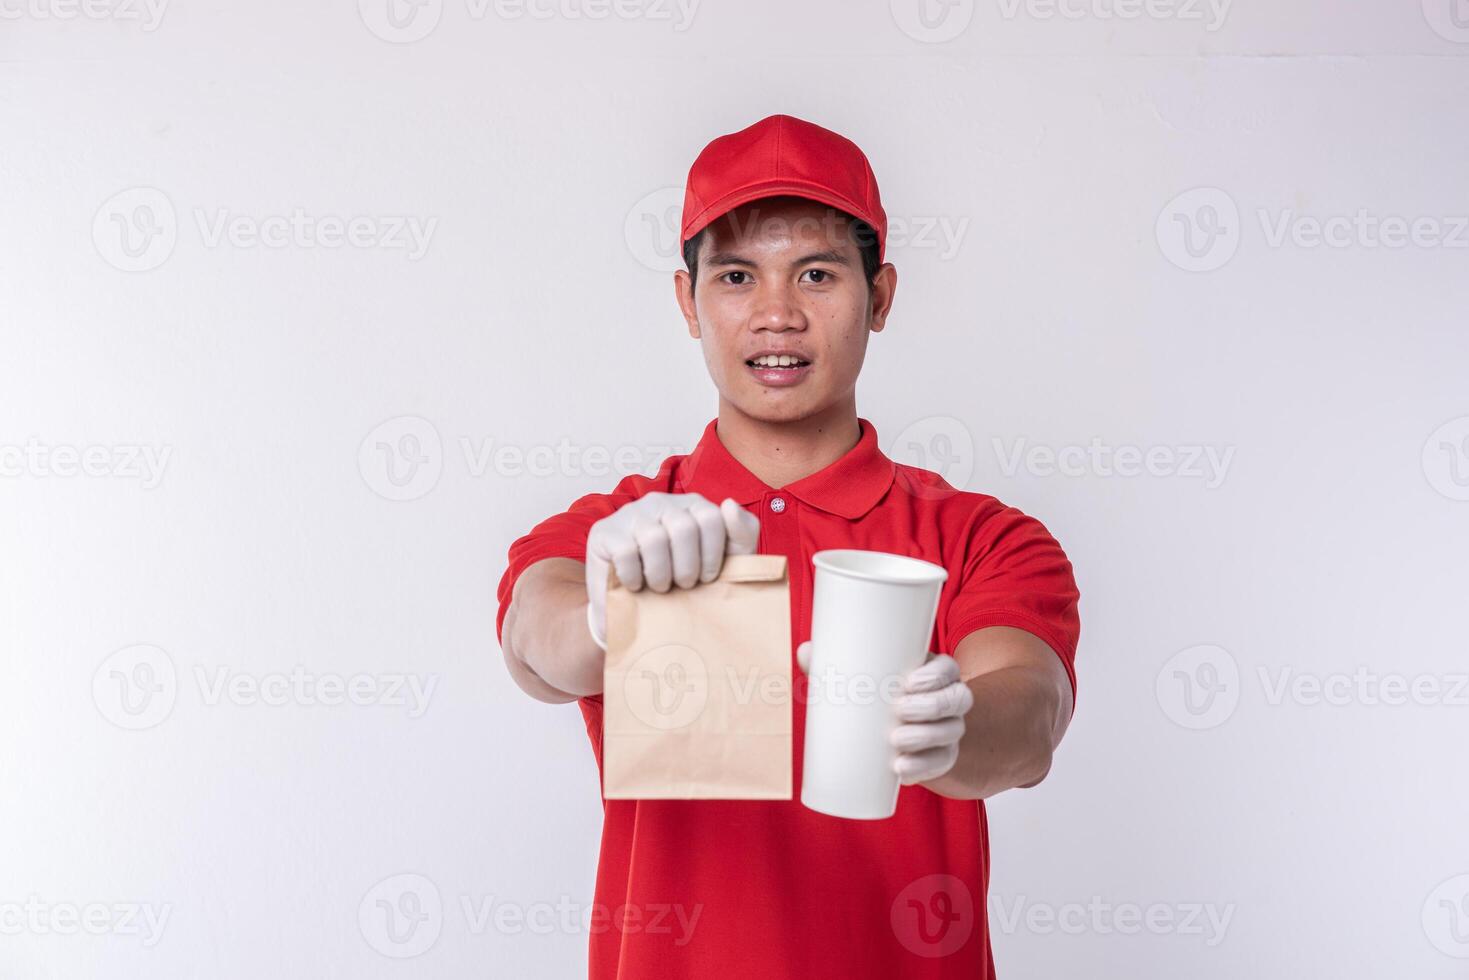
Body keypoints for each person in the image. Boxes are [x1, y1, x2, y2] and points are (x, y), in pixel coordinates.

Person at [495, 113, 1081, 979]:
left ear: (879, 297)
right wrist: (604, 613)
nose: (776, 314)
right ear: (688, 303)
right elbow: (536, 647)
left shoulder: (982, 536)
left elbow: (1029, 715)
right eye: (736, 276)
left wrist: (953, 731)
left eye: (816, 273)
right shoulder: (620, 527)